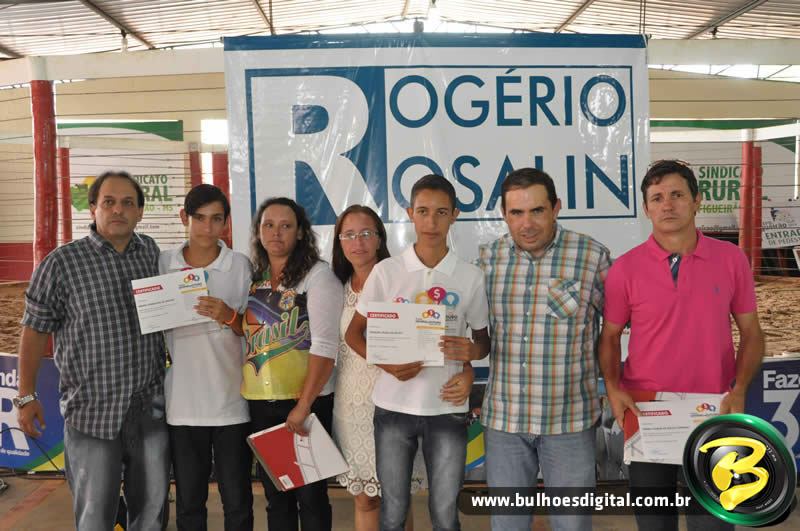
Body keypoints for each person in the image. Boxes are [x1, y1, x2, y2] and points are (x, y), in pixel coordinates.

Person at [599, 159, 764, 531]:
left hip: (714, 410)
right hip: (646, 413)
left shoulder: (731, 259)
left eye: (677, 195)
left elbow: (752, 332)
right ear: (646, 209)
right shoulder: (625, 268)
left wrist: (739, 389)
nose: (667, 205)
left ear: (697, 200)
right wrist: (613, 387)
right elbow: (609, 337)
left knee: (712, 524)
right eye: (657, 198)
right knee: (654, 523)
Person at [15, 171, 169, 530]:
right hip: (91, 414)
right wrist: (26, 395)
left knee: (151, 513)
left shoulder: (152, 254)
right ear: (93, 208)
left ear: (140, 211)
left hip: (148, 410)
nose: (118, 210)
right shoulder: (61, 263)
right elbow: (34, 331)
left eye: (128, 203)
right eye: (109, 202)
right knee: (94, 516)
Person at [345, 175, 490, 531]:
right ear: (410, 214)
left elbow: (483, 342)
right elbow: (353, 334)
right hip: (393, 408)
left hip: (447, 407)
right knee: (393, 512)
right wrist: (388, 365)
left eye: (441, 212)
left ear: (454, 215)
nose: (431, 222)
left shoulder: (469, 276)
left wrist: (472, 352)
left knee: (445, 514)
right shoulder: (387, 271)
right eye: (423, 211)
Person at [470, 167, 611, 531]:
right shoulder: (486, 261)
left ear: (556, 208)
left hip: (569, 422)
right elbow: (465, 330)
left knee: (572, 525)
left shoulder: (591, 256)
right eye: (516, 212)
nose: (527, 223)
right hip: (505, 423)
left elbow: (616, 330)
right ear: (504, 214)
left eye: (537, 211)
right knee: (507, 526)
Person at [243, 197, 343, 531]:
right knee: (277, 496)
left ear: (300, 232)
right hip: (263, 402)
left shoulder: (317, 276)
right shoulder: (255, 278)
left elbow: (326, 347)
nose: (276, 233)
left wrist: (304, 406)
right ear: (259, 232)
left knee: (311, 497)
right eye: (268, 225)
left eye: (286, 226)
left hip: (304, 404)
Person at [160, 184, 253, 531]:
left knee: (238, 501)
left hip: (231, 402)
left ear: (226, 223)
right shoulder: (163, 264)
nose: (207, 227)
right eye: (199, 218)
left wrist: (229, 316)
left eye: (216, 219)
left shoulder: (239, 266)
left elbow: (255, 332)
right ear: (184, 218)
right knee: (189, 503)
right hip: (182, 404)